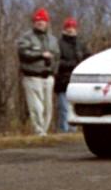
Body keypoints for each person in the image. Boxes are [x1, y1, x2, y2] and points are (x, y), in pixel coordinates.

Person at [17, 8, 60, 136]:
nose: (40, 23)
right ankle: (38, 131)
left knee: (48, 107)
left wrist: (53, 70)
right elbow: (23, 53)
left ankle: (44, 131)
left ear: (47, 23)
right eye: (37, 21)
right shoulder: (26, 38)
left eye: (42, 21)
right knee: (36, 107)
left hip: (48, 77)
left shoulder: (52, 39)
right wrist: (40, 55)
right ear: (33, 22)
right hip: (32, 76)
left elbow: (57, 56)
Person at [55, 16, 88, 133]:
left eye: (72, 27)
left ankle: (73, 131)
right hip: (63, 81)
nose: (70, 30)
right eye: (68, 27)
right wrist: (73, 64)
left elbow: (88, 57)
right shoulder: (59, 43)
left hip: (77, 82)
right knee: (63, 108)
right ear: (64, 29)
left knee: (74, 108)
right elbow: (57, 62)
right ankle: (63, 130)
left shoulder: (81, 44)